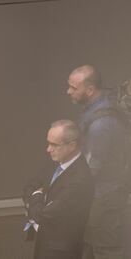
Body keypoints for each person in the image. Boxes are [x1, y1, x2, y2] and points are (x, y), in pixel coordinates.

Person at [67, 65, 129, 259]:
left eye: (73, 87)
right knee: (91, 246)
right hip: (100, 197)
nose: (68, 91)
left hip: (105, 200)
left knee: (107, 249)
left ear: (90, 90)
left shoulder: (101, 124)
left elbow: (90, 169)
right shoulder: (100, 106)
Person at [23, 120, 94, 259]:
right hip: (45, 240)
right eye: (48, 143)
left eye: (54, 145)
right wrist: (37, 198)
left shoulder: (80, 179)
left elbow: (43, 215)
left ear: (72, 145)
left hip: (60, 251)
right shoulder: (55, 161)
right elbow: (29, 186)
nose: (48, 149)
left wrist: (36, 195)